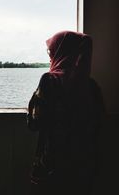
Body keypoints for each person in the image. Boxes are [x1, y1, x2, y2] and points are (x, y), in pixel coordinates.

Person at [27, 31, 105, 195]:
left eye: (51, 52)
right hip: (85, 164)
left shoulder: (49, 81)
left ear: (61, 52)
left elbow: (34, 123)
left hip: (53, 164)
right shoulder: (91, 86)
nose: (50, 57)